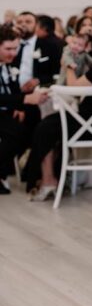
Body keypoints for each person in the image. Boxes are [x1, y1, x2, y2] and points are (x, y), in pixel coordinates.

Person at [24, 21, 92, 200]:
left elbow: (73, 86)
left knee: (45, 127)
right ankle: (56, 178)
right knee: (52, 124)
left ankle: (48, 181)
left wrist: (68, 64)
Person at [0, 24, 48, 194]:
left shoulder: (6, 63)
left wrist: (20, 107)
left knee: (30, 127)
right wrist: (26, 99)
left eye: (15, 48)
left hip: (5, 109)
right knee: (15, 132)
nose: (13, 53)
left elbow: (10, 88)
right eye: (8, 49)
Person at [33, 15, 64, 84]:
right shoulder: (38, 41)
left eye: (36, 26)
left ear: (44, 28)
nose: (34, 29)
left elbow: (57, 69)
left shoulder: (54, 44)